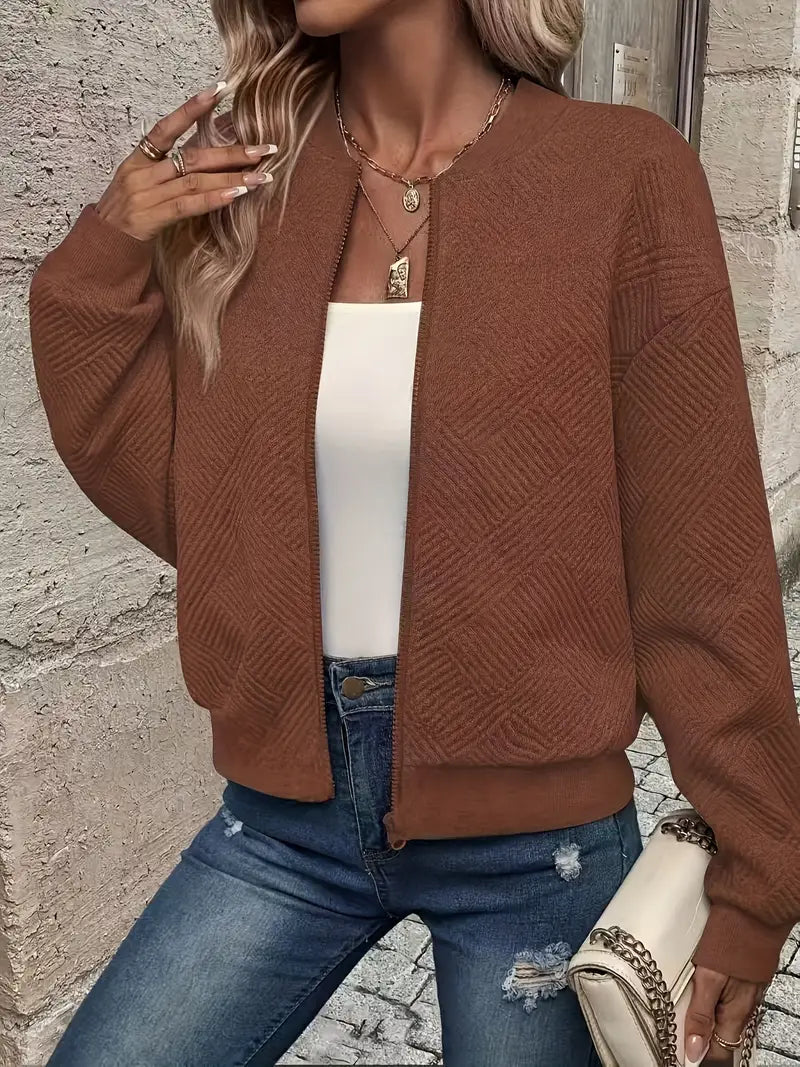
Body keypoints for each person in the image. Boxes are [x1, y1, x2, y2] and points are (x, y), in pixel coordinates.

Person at [27, 1, 800, 1064]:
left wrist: (760, 873)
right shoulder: (253, 182)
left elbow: (698, 560)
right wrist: (108, 251)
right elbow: (199, 502)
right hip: (283, 818)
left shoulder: (621, 172)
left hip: (536, 850)